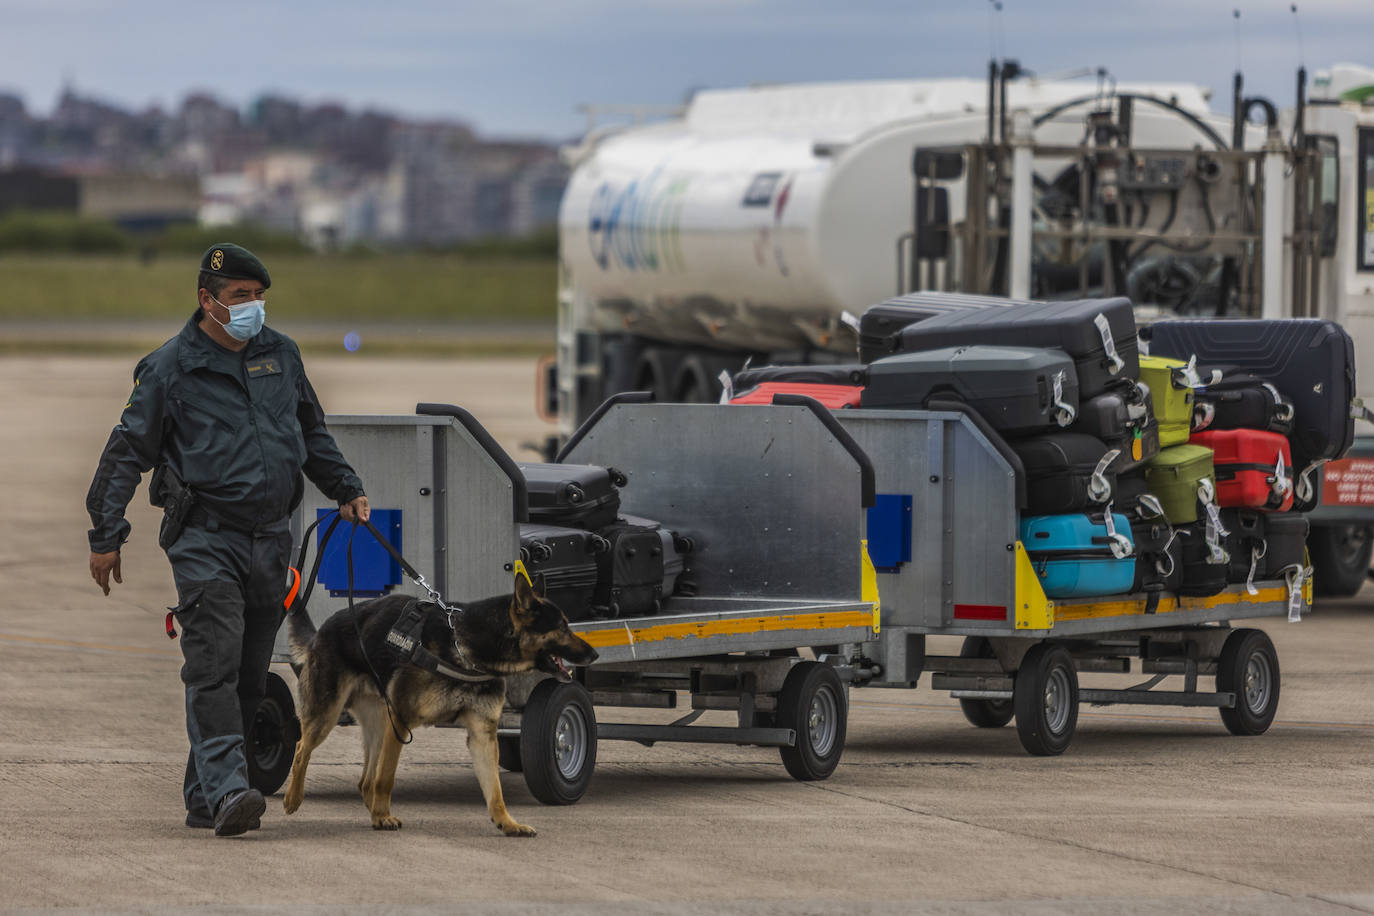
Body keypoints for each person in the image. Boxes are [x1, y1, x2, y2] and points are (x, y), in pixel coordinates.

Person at [86, 243, 370, 837]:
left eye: (258, 297)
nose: (252, 308)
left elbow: (311, 431)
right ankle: (228, 792)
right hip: (204, 537)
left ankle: (203, 793)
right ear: (206, 301)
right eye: (240, 298)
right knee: (212, 664)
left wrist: (345, 486)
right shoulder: (170, 368)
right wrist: (106, 533)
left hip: (270, 538)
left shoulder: (280, 356)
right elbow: (125, 454)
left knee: (246, 673)